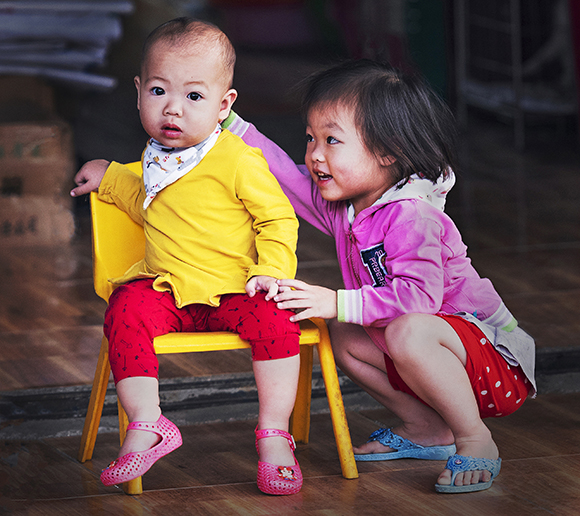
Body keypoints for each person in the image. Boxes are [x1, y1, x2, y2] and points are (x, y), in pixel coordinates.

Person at [220, 59, 537, 493]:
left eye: (332, 140)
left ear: (388, 151)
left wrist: (336, 299)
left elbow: (420, 300)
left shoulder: (413, 214)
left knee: (406, 329)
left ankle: (474, 437)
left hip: (493, 363)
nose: (314, 154)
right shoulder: (346, 207)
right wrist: (233, 127)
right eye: (311, 138)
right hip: (437, 353)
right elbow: (287, 181)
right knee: (343, 334)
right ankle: (427, 429)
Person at [70, 18, 304, 496]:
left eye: (194, 97)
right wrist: (111, 176)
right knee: (123, 310)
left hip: (234, 288)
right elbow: (152, 206)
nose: (172, 109)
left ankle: (275, 435)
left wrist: (271, 272)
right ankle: (149, 422)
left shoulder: (238, 159)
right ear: (138, 93)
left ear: (224, 105)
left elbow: (278, 220)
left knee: (278, 321)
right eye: (158, 91)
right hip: (165, 288)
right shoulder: (156, 156)